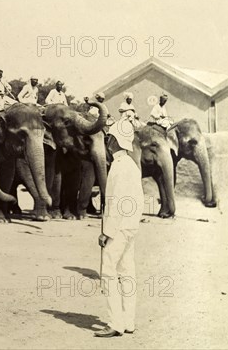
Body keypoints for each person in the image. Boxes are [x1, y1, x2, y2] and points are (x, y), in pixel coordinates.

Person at [95, 117, 144, 338]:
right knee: (127, 272)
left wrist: (107, 232)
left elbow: (116, 203)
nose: (107, 142)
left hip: (119, 228)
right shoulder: (132, 165)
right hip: (131, 226)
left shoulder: (118, 167)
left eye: (109, 138)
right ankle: (128, 321)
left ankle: (115, 323)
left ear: (114, 141)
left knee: (108, 272)